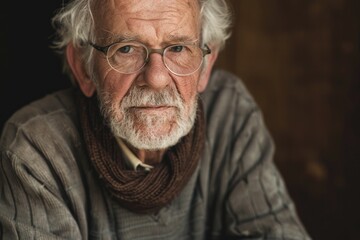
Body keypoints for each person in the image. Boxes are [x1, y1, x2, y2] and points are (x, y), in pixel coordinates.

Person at [0, 0, 312, 239]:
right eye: (126, 49)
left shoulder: (230, 112)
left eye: (177, 48)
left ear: (205, 64)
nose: (157, 78)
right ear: (83, 67)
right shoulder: (36, 151)